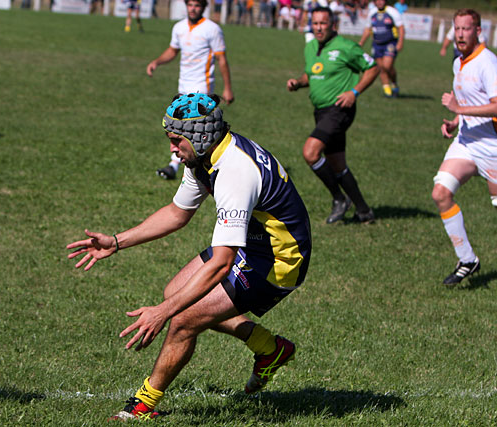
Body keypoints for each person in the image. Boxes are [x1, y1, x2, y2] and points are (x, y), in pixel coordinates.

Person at [67, 93, 312, 421]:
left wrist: (162, 314)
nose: (171, 149)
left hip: (279, 261)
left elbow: (221, 263)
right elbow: (177, 213)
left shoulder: (234, 172)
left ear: (199, 137)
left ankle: (141, 406)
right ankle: (269, 347)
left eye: (175, 141)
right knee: (176, 296)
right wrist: (116, 241)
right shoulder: (204, 158)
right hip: (253, 244)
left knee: (182, 317)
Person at [287, 6, 379, 224]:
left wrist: (354, 92)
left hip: (339, 109)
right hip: (321, 112)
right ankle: (364, 211)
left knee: (311, 152)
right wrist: (298, 83)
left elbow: (373, 68)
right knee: (337, 164)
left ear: (333, 25)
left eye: (323, 23)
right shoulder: (310, 47)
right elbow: (312, 73)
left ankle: (339, 199)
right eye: (315, 23)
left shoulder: (346, 47)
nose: (319, 28)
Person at [434, 9, 497, 286]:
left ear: (478, 31)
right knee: (441, 193)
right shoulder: (457, 61)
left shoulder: (487, 62)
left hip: (492, 145)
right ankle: (467, 259)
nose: (460, 34)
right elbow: (466, 99)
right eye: (457, 29)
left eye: (466, 29)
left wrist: (460, 108)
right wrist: (456, 120)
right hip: (467, 141)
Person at [147, 0, 234, 180]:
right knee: (180, 127)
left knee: (195, 130)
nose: (193, 8)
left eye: (197, 5)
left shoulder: (212, 29)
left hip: (202, 86)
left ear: (203, 8)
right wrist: (157, 62)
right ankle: (185, 167)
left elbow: (222, 60)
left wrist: (227, 88)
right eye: (190, 5)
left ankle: (184, 167)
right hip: (183, 87)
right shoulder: (179, 27)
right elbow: (173, 51)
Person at [358, 0, 403, 98]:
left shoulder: (392, 11)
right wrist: (361, 42)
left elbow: (401, 28)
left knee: (387, 66)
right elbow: (367, 29)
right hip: (377, 44)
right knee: (381, 67)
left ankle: (394, 83)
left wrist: (400, 42)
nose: (379, 2)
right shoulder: (372, 12)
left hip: (390, 43)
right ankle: (387, 90)